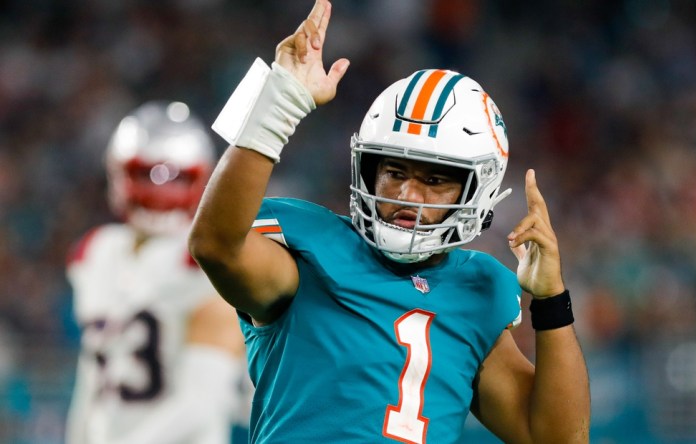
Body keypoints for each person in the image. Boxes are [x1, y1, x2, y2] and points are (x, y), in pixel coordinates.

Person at [189, 0, 590, 442]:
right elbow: (216, 246)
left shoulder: (479, 289)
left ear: (478, 190)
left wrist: (552, 300)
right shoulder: (309, 253)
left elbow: (556, 440)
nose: (406, 195)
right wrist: (277, 106)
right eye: (395, 171)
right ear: (368, 169)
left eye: (435, 180)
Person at [66, 100, 250, 444]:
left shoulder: (206, 259)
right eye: (145, 175)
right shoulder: (97, 251)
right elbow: (91, 379)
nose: (159, 191)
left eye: (175, 178)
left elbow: (203, 405)